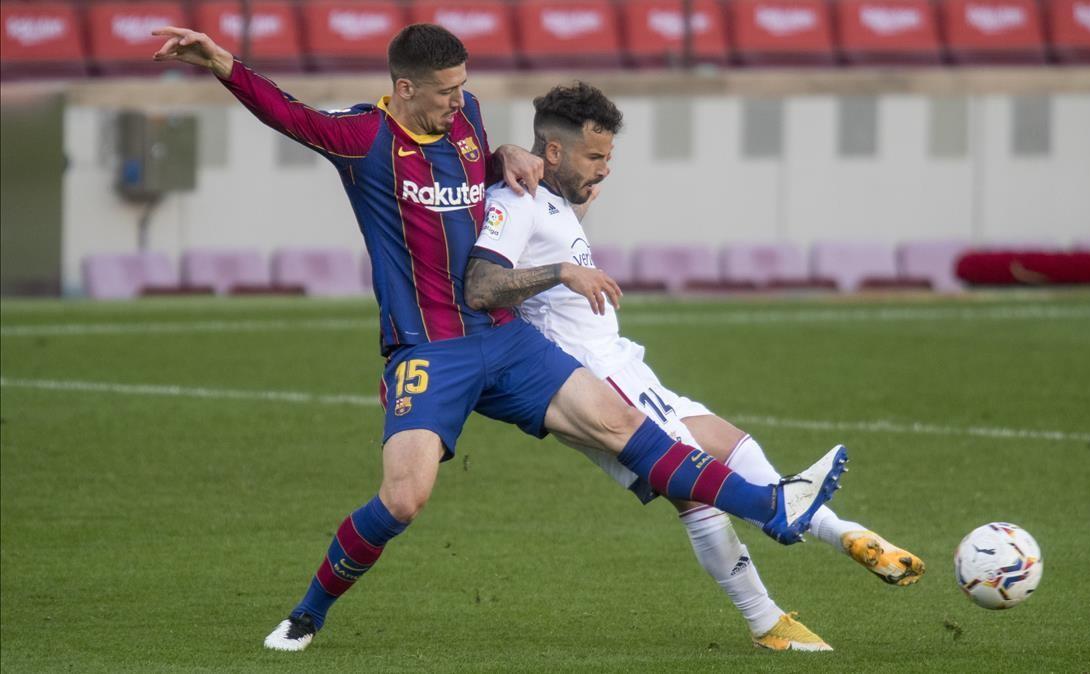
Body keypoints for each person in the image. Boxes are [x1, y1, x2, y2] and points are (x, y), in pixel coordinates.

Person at [151, 25, 848, 653]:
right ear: (403, 88)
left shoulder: (468, 121)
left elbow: (474, 164)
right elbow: (292, 115)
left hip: (506, 339)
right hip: (429, 350)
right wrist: (221, 62)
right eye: (447, 91)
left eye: (464, 87)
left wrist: (501, 154)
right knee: (404, 498)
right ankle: (306, 615)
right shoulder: (364, 139)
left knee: (622, 421)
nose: (461, 100)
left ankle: (774, 508)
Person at [465, 82, 926, 652]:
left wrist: (533, 164)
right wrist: (561, 270)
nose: (606, 169)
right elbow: (482, 285)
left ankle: (848, 534)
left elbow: (558, 202)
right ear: (554, 153)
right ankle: (768, 623)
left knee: (728, 443)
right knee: (696, 489)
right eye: (595, 156)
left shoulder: (550, 195)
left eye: (610, 156)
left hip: (623, 363)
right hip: (589, 381)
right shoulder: (517, 202)